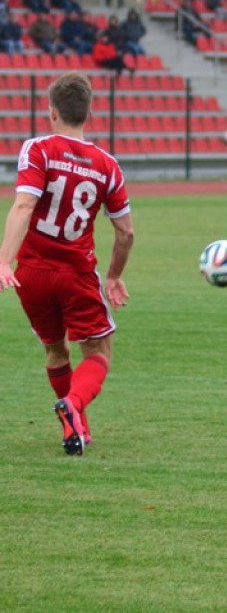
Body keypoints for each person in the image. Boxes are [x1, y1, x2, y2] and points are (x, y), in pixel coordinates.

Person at [0, 71, 134, 457]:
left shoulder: (37, 149)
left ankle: (78, 430)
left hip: (31, 274)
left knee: (56, 351)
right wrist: (114, 276)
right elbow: (126, 233)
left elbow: (24, 205)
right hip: (75, 273)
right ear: (89, 113)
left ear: (52, 111)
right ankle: (74, 404)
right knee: (99, 351)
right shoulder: (107, 165)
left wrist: (5, 261)